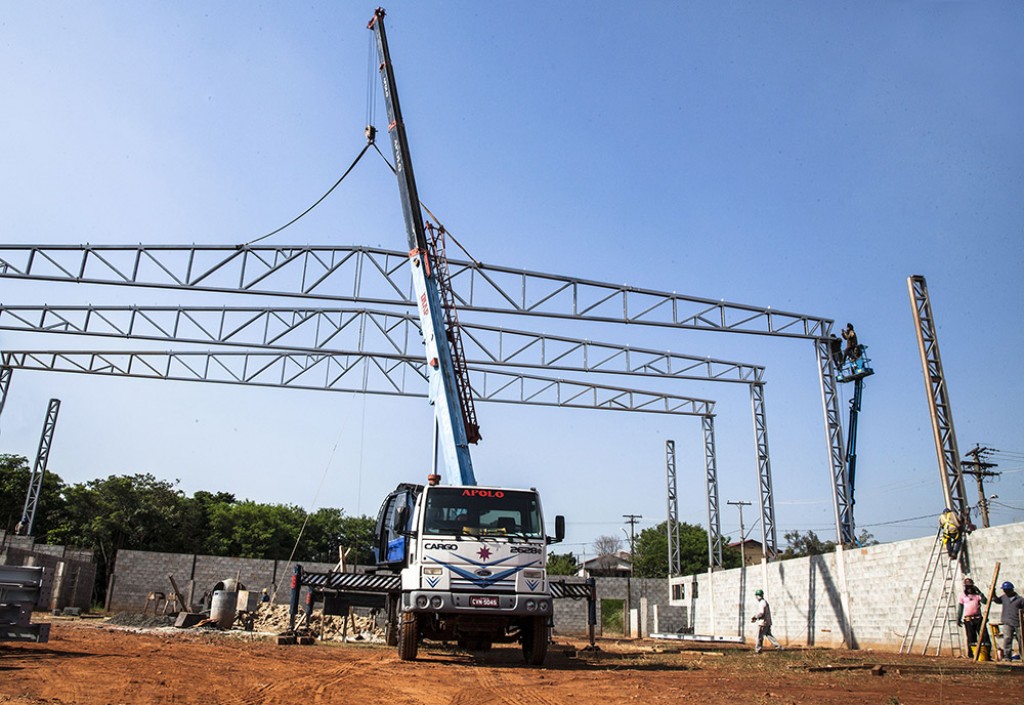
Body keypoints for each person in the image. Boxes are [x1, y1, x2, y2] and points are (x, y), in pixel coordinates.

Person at [992, 581, 1024, 661]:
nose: (1005, 592)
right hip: (1007, 622)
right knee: (1007, 639)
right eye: (1004, 590)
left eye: (1006, 590)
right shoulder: (1004, 598)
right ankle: (1007, 657)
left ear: (1011, 590)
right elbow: (996, 600)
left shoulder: (1020, 599)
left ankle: (1023, 655)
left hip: (1018, 622)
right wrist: (993, 592)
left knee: (1021, 639)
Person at [957, 577, 987, 658]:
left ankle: (985, 654)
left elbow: (985, 601)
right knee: (971, 637)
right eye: (967, 587)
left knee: (984, 637)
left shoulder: (977, 595)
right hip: (968, 620)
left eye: (970, 587)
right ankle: (971, 655)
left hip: (978, 618)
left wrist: (980, 592)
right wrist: (958, 618)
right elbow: (960, 607)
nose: (969, 589)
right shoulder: (963, 596)